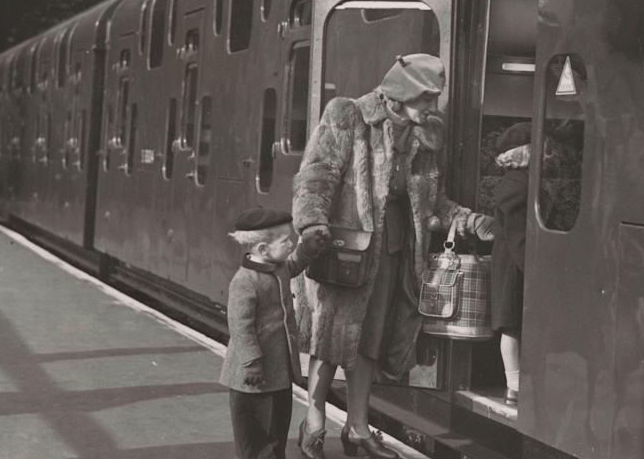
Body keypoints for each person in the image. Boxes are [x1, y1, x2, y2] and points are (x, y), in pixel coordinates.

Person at [293, 53, 493, 459]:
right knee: (330, 338)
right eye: (425, 100)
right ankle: (313, 416)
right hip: (345, 250)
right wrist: (313, 224)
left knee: (369, 341)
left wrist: (471, 221)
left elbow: (433, 203)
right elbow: (318, 175)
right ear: (399, 97)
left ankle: (358, 427)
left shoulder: (424, 137)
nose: (432, 109)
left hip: (393, 254)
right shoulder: (347, 116)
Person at [219, 208, 311, 459]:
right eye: (285, 241)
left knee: (275, 435)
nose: (292, 244)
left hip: (277, 374)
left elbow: (293, 265)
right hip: (253, 378)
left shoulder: (276, 267)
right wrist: (251, 362)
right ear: (262, 249)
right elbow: (240, 326)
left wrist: (309, 249)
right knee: (255, 439)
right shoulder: (245, 281)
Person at [490, 122, 549, 406]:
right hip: (515, 265)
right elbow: (518, 236)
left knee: (512, 324)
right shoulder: (518, 186)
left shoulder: (517, 183)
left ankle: (515, 383)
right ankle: (513, 386)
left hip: (514, 262)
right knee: (511, 324)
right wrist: (534, 272)